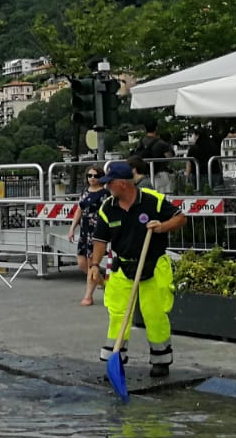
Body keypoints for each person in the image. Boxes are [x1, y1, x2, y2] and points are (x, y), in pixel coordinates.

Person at [90, 160, 188, 379]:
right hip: (123, 267)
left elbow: (181, 218)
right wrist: (94, 265)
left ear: (122, 183)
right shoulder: (108, 207)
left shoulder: (153, 201)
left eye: (109, 183)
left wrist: (162, 227)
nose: (106, 187)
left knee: (154, 314)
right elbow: (99, 239)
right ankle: (115, 360)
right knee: (117, 315)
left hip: (152, 265)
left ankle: (161, 360)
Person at [67, 165, 108, 306]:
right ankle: (104, 284)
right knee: (82, 263)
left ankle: (88, 295)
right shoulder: (85, 191)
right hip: (84, 229)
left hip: (96, 229)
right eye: (89, 175)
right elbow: (79, 209)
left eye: (95, 176)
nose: (92, 178)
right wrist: (72, 228)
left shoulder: (105, 193)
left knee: (92, 263)